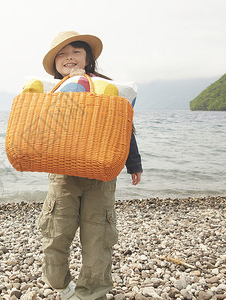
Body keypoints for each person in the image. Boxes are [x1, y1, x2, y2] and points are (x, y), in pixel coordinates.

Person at [34, 31, 143, 300]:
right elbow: (36, 128)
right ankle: (60, 284)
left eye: (76, 51)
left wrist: (134, 163)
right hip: (63, 174)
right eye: (62, 53)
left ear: (88, 58)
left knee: (99, 237)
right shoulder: (50, 90)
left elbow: (123, 127)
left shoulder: (106, 88)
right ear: (55, 63)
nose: (69, 56)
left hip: (101, 174)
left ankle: (92, 292)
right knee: (56, 232)